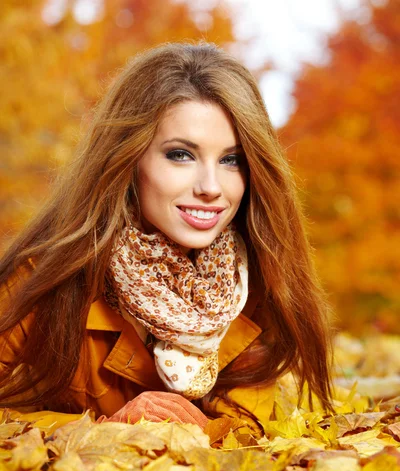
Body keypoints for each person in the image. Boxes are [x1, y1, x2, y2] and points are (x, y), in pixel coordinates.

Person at [0, 42, 333, 437]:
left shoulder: (256, 283)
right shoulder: (45, 277)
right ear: (128, 158)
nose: (212, 187)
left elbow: (247, 435)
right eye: (180, 154)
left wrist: (198, 432)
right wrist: (105, 429)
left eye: (231, 160)